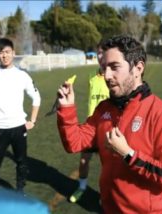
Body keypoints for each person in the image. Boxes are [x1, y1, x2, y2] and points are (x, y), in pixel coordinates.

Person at [57, 35, 162, 213]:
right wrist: (67, 108)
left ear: (138, 68)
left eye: (114, 67)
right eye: (104, 68)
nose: (106, 75)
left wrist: (129, 154)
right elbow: (74, 143)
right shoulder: (104, 109)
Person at [0, 38, 41, 193]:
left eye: (7, 52)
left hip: (19, 127)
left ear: (13, 53)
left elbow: (36, 97)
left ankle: (20, 191)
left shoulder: (22, 75)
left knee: (21, 162)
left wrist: (32, 120)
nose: (4, 55)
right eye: (1, 52)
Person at [69, 42, 109, 203]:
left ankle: (106, 194)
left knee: (108, 164)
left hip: (108, 127)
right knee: (84, 159)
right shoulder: (92, 75)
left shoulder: (113, 77)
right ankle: (82, 187)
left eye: (104, 53)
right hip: (91, 126)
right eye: (98, 53)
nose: (100, 56)